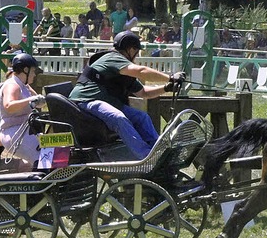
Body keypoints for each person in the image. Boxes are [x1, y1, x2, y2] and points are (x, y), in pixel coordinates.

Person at [68, 31, 185, 160]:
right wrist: (170, 77)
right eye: (136, 52)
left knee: (142, 117)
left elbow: (143, 92)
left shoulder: (122, 70)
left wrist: (166, 88)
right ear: (130, 49)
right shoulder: (113, 58)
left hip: (105, 103)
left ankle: (159, 152)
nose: (136, 56)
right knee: (118, 117)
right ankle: (146, 157)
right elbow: (141, 71)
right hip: (86, 100)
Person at [0, 54, 47, 169]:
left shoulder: (24, 86)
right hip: (14, 133)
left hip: (26, 131)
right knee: (43, 158)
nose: (34, 75)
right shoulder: (12, 85)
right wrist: (30, 100)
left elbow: (39, 102)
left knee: (51, 150)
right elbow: (8, 105)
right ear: (25, 70)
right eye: (33, 71)